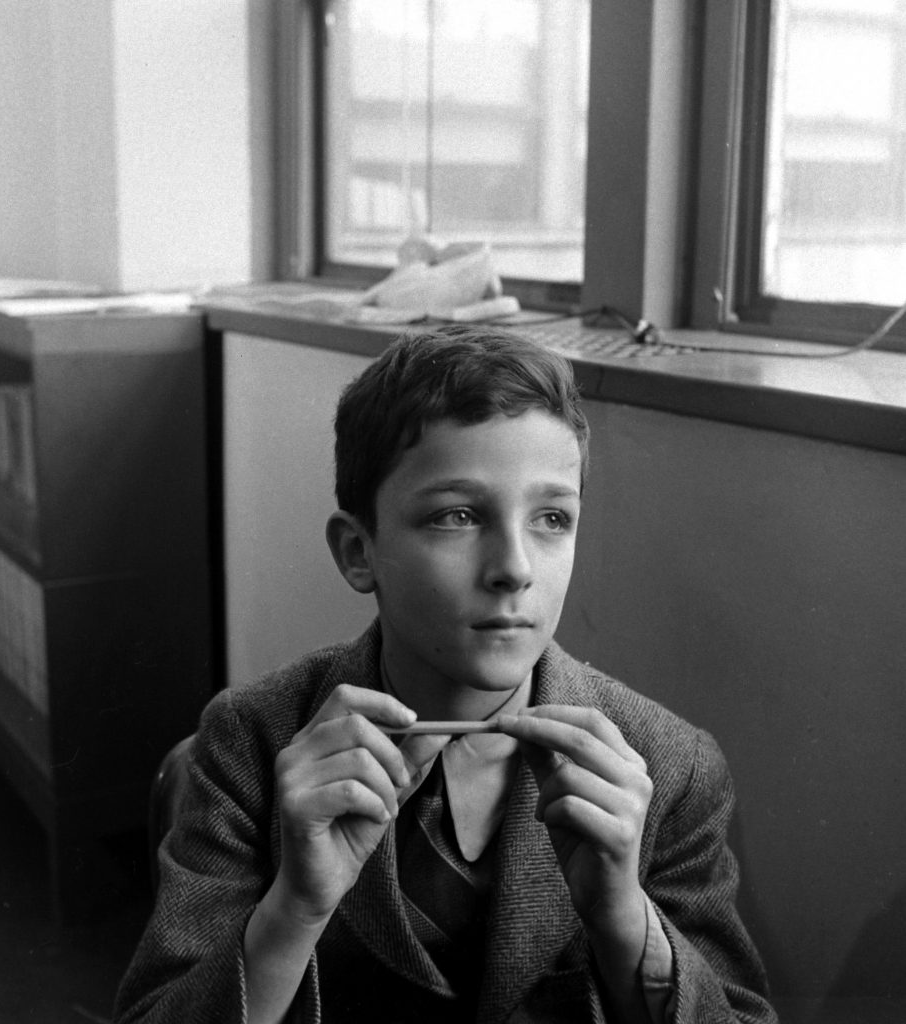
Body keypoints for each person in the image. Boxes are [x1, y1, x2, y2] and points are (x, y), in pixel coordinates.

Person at [114, 324, 777, 1024]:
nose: (514, 569)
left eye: (551, 518)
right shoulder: (251, 741)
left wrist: (622, 918)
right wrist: (292, 911)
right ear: (357, 550)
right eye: (457, 516)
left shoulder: (668, 768)